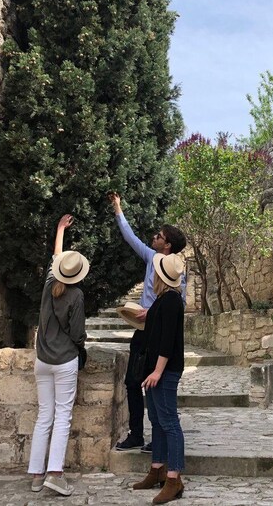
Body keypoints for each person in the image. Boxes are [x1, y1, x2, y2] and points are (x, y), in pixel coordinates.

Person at [108, 192, 186, 453]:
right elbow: (130, 237)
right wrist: (118, 209)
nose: (153, 238)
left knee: (157, 387)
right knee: (132, 381)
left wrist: (151, 312)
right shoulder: (150, 258)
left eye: (158, 236)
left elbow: (177, 306)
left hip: (159, 335)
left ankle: (161, 440)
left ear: (168, 245)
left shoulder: (176, 273)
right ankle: (136, 434)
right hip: (142, 333)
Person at [27, 214, 89, 496]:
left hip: (42, 360)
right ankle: (55, 473)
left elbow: (56, 257)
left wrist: (60, 230)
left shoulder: (47, 286)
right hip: (64, 360)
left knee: (44, 416)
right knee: (62, 416)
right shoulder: (75, 296)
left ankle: (36, 475)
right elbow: (77, 332)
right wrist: (82, 345)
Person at [132, 252, 186, 503]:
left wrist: (157, 371)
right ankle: (157, 469)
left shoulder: (173, 300)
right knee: (156, 419)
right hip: (155, 368)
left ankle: (174, 479)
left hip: (164, 369)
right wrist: (145, 314)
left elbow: (167, 341)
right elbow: (156, 326)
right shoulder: (162, 300)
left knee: (169, 422)